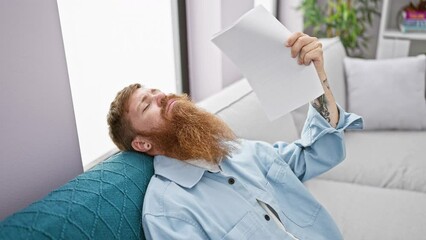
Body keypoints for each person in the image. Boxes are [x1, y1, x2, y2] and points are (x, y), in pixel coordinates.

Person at [107, 32, 363, 240]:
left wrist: (317, 77)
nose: (161, 96)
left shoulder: (237, 150)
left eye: (156, 91)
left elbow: (318, 152)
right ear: (142, 143)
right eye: (146, 105)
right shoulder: (167, 210)